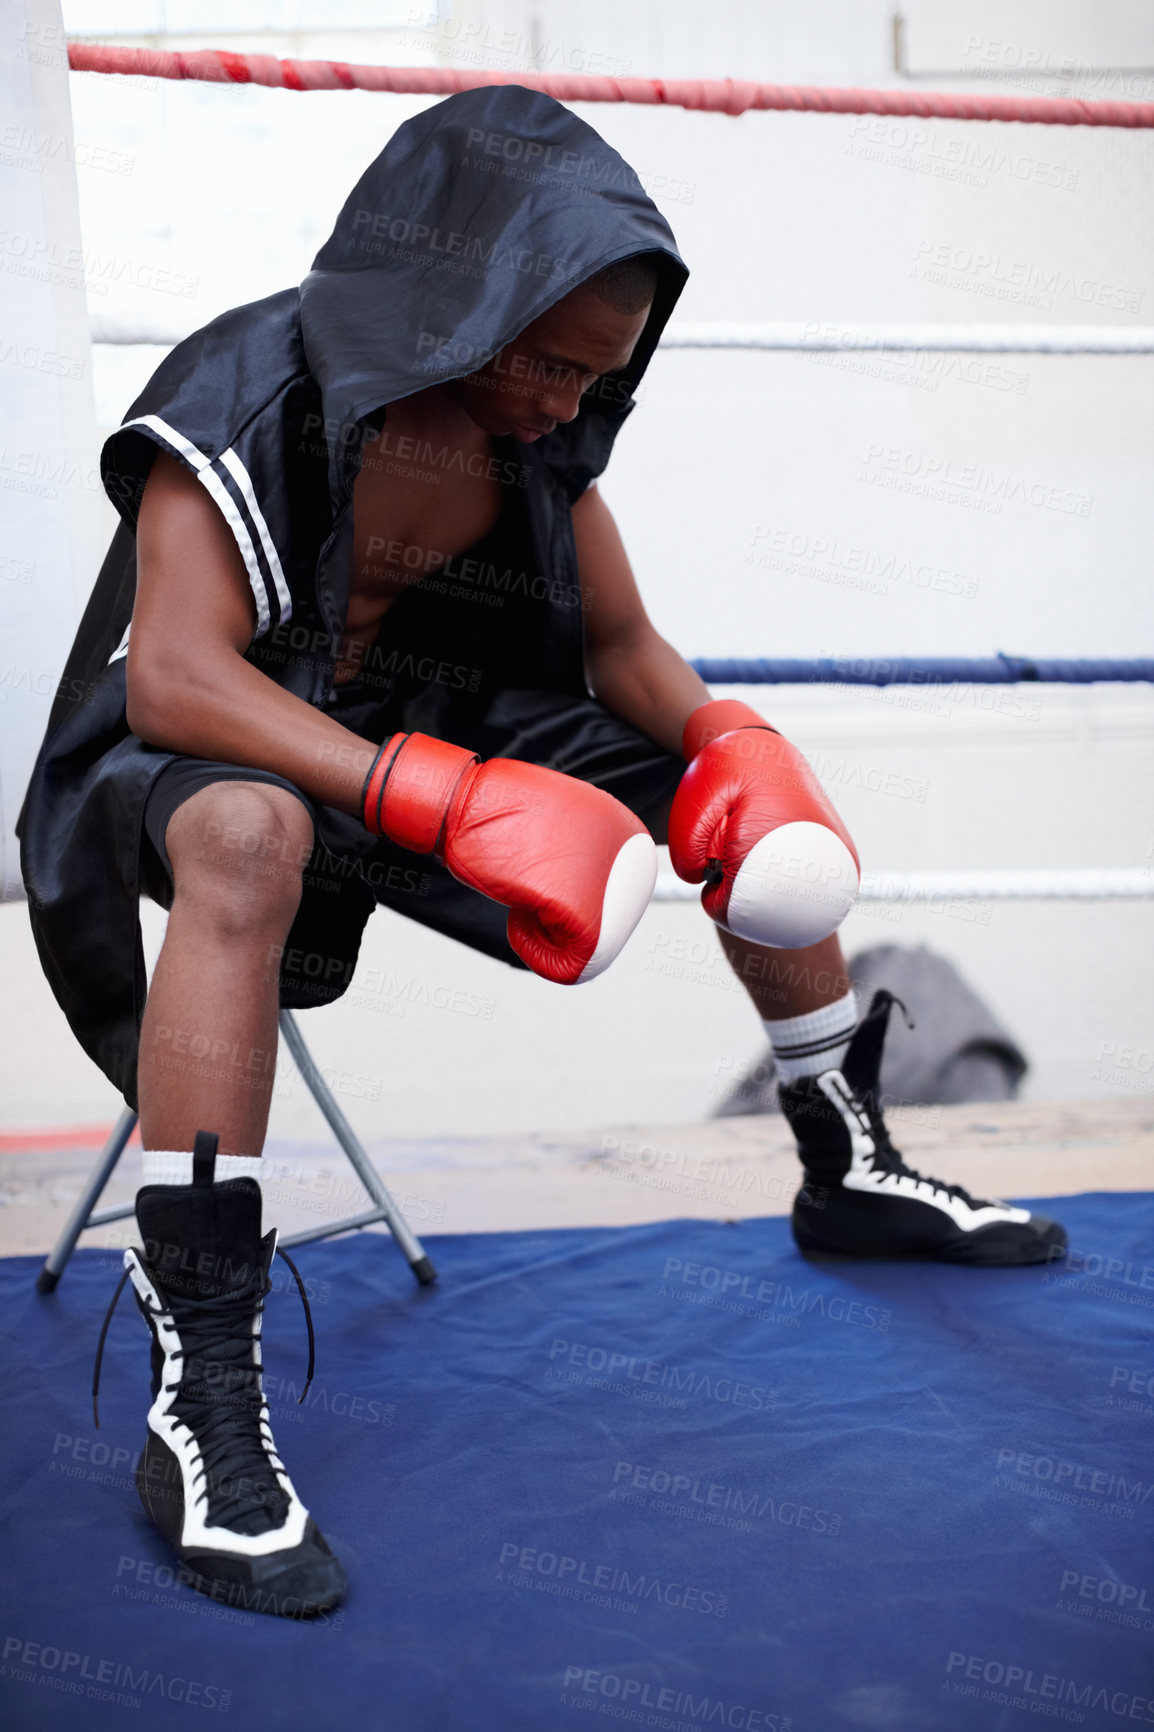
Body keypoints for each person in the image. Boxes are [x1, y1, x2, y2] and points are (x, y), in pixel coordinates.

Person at [19, 86, 1065, 1620]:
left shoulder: (531, 434)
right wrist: (424, 795)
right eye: (553, 363)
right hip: (189, 756)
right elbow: (176, 669)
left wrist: (734, 752)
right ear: (461, 304)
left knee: (736, 811)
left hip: (414, 727)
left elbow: (628, 645)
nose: (570, 405)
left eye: (599, 376)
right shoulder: (249, 385)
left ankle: (847, 1159)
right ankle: (202, 1394)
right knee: (252, 831)